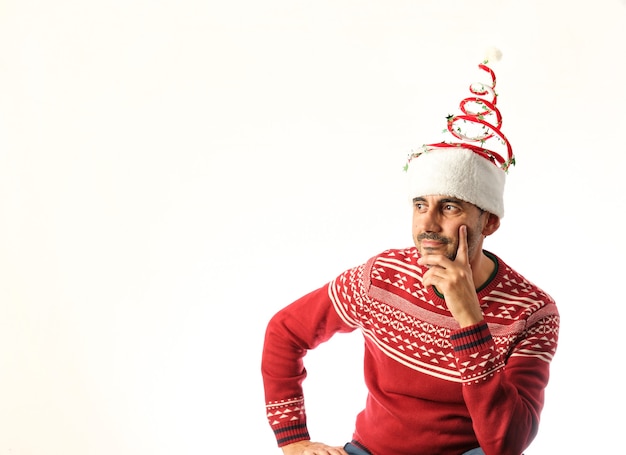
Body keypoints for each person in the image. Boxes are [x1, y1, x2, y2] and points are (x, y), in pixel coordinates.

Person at [261, 54, 560, 455]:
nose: (428, 224)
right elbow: (286, 332)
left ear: (489, 223)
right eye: (421, 205)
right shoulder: (380, 276)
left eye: (450, 207)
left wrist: (470, 318)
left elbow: (506, 444)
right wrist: (293, 441)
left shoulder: (532, 310)